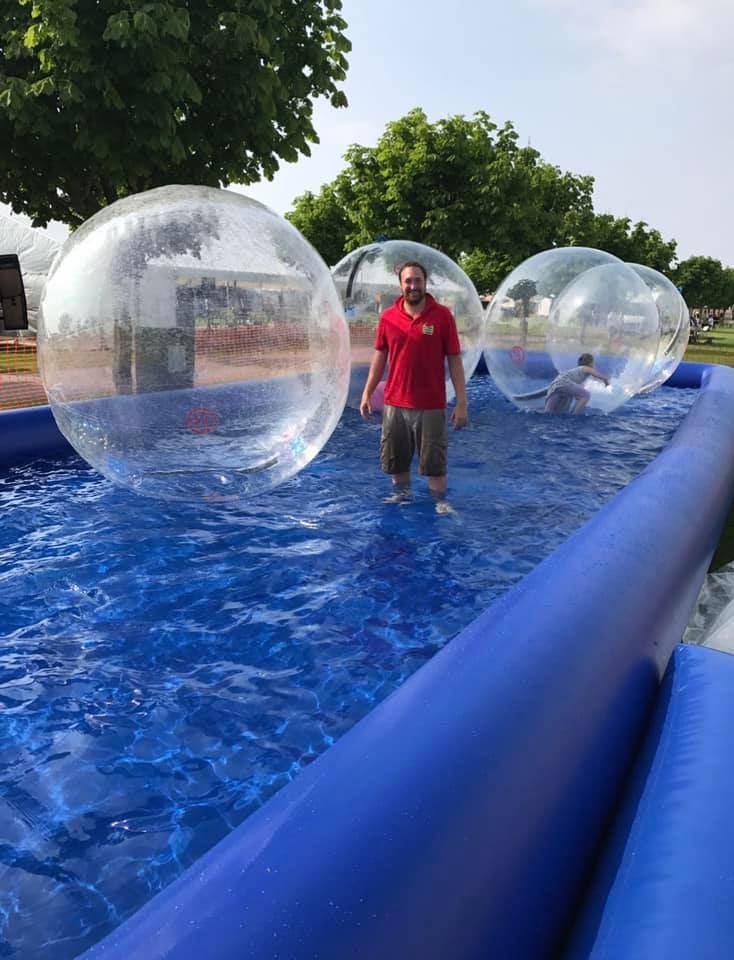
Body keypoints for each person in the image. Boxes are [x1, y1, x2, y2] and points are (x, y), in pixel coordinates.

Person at [359, 261, 468, 511]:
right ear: (400, 285)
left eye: (417, 280)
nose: (413, 286)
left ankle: (440, 504)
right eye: (408, 281)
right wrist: (367, 392)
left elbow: (454, 359)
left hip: (430, 404)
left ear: (425, 283)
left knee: (435, 465)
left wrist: (462, 402)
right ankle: (403, 498)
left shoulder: (442, 316)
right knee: (396, 463)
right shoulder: (388, 317)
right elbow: (380, 356)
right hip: (394, 404)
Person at [544, 353, 609, 415]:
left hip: (554, 387)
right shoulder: (586, 368)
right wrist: (605, 380)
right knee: (586, 395)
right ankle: (575, 415)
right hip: (564, 384)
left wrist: (577, 396)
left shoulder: (576, 370)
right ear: (590, 363)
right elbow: (597, 374)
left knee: (549, 412)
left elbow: (577, 389)